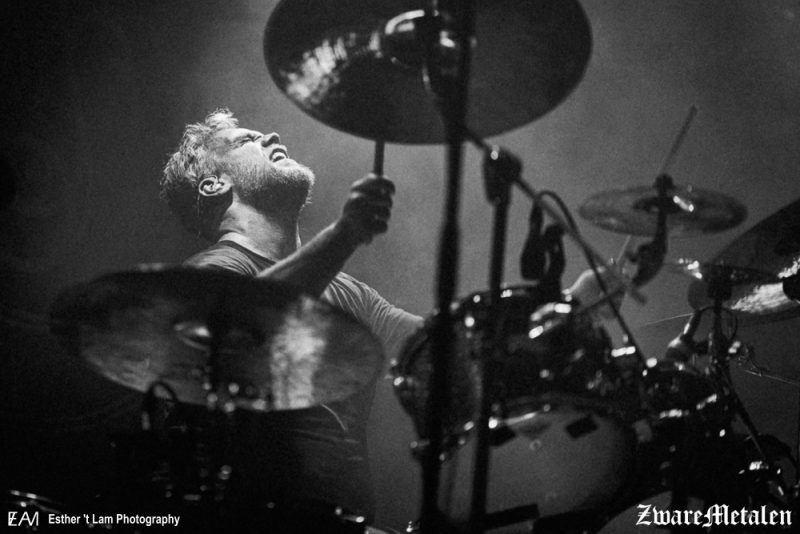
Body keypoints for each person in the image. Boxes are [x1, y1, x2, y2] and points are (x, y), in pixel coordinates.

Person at [159, 108, 626, 526]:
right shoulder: (215, 271)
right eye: (246, 140)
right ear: (214, 185)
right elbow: (250, 319)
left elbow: (443, 348)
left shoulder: (351, 294)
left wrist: (568, 308)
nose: (272, 135)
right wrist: (345, 233)